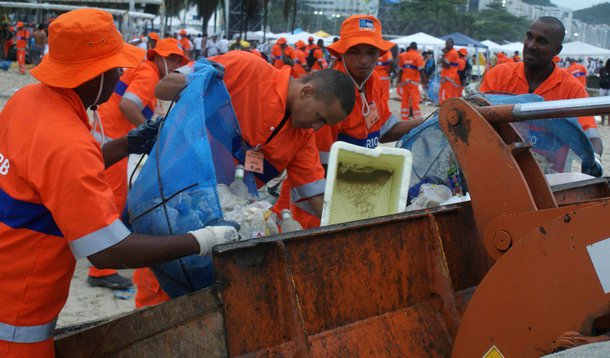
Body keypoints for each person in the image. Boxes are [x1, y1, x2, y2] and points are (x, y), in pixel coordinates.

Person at [0, 9, 239, 357]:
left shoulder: (27, 101)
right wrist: (200, 240)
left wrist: (129, 143)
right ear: (93, 74)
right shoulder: (68, 143)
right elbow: (106, 251)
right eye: (114, 69)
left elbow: (51, 173)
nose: (118, 76)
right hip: (17, 322)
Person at [152, 51, 355, 305]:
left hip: (215, 226)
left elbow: (316, 195)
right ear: (307, 92)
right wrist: (206, 86)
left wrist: (353, 230)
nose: (316, 128)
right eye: (319, 118)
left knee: (196, 298)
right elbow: (163, 87)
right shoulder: (247, 69)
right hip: (170, 199)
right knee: (157, 287)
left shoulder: (301, 140)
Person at [281, 14, 423, 228]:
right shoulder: (330, 95)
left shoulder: (374, 82)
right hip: (315, 200)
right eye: (355, 51)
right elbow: (313, 164)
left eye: (371, 52)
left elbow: (385, 131)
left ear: (380, 53)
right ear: (341, 52)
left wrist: (428, 122)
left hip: (356, 187)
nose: (364, 59)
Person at [91, 38, 189, 296]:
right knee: (112, 198)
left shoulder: (144, 68)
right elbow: (128, 105)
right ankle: (100, 271)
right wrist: (151, 130)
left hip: (106, 136)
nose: (176, 64)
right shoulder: (148, 72)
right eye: (172, 59)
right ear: (158, 57)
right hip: (112, 138)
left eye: (178, 60)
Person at [480, 16, 603, 157]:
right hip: (498, 161)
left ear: (557, 50)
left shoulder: (572, 89)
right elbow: (479, 121)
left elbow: (591, 136)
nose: (531, 45)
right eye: (529, 37)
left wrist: (595, 159)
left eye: (541, 41)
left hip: (549, 171)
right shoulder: (498, 75)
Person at [397, 41, 424, 120]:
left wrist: (399, 81)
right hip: (413, 83)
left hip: (404, 82)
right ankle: (416, 117)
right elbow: (421, 70)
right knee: (415, 100)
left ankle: (404, 116)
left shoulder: (403, 56)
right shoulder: (418, 57)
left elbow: (400, 70)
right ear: (416, 48)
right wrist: (424, 82)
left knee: (405, 99)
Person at [439, 38, 460, 104]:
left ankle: (445, 105)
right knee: (443, 92)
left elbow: (446, 65)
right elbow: (440, 63)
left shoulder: (452, 53)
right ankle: (442, 104)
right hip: (446, 76)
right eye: (446, 44)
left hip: (448, 76)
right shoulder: (449, 52)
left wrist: (443, 55)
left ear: (452, 44)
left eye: (448, 44)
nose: (446, 45)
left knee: (446, 93)